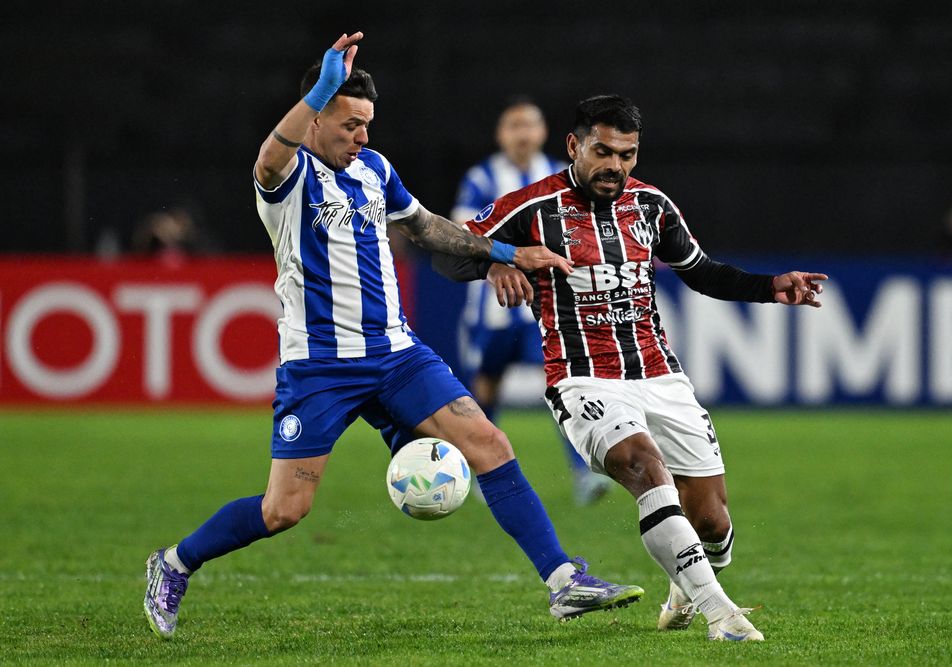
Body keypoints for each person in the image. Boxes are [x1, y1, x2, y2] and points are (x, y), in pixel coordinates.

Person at [142, 34, 644, 640]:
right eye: (351, 123)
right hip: (321, 368)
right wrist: (322, 88)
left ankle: (564, 580)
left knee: (490, 444)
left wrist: (506, 252)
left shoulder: (376, 171)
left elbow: (431, 229)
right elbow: (268, 158)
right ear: (318, 115)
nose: (363, 136)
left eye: (368, 124)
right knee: (283, 511)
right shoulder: (289, 178)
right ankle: (174, 563)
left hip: (397, 354)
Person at [434, 94, 830, 642]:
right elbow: (446, 254)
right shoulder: (529, 207)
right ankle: (723, 616)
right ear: (574, 146)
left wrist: (769, 287)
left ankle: (685, 586)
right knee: (644, 466)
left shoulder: (652, 206)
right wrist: (497, 258)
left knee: (712, 521)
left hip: (660, 375)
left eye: (627, 154)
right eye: (603, 151)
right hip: (581, 377)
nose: (615, 166)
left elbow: (702, 272)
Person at [451, 97, 611, 505]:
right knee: (486, 388)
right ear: (501, 135)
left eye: (529, 125)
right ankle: (484, 474)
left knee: (563, 384)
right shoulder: (482, 176)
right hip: (494, 304)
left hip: (549, 303)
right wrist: (506, 256)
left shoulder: (561, 176)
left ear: (542, 132)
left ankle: (585, 474)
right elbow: (458, 231)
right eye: (513, 126)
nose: (522, 134)